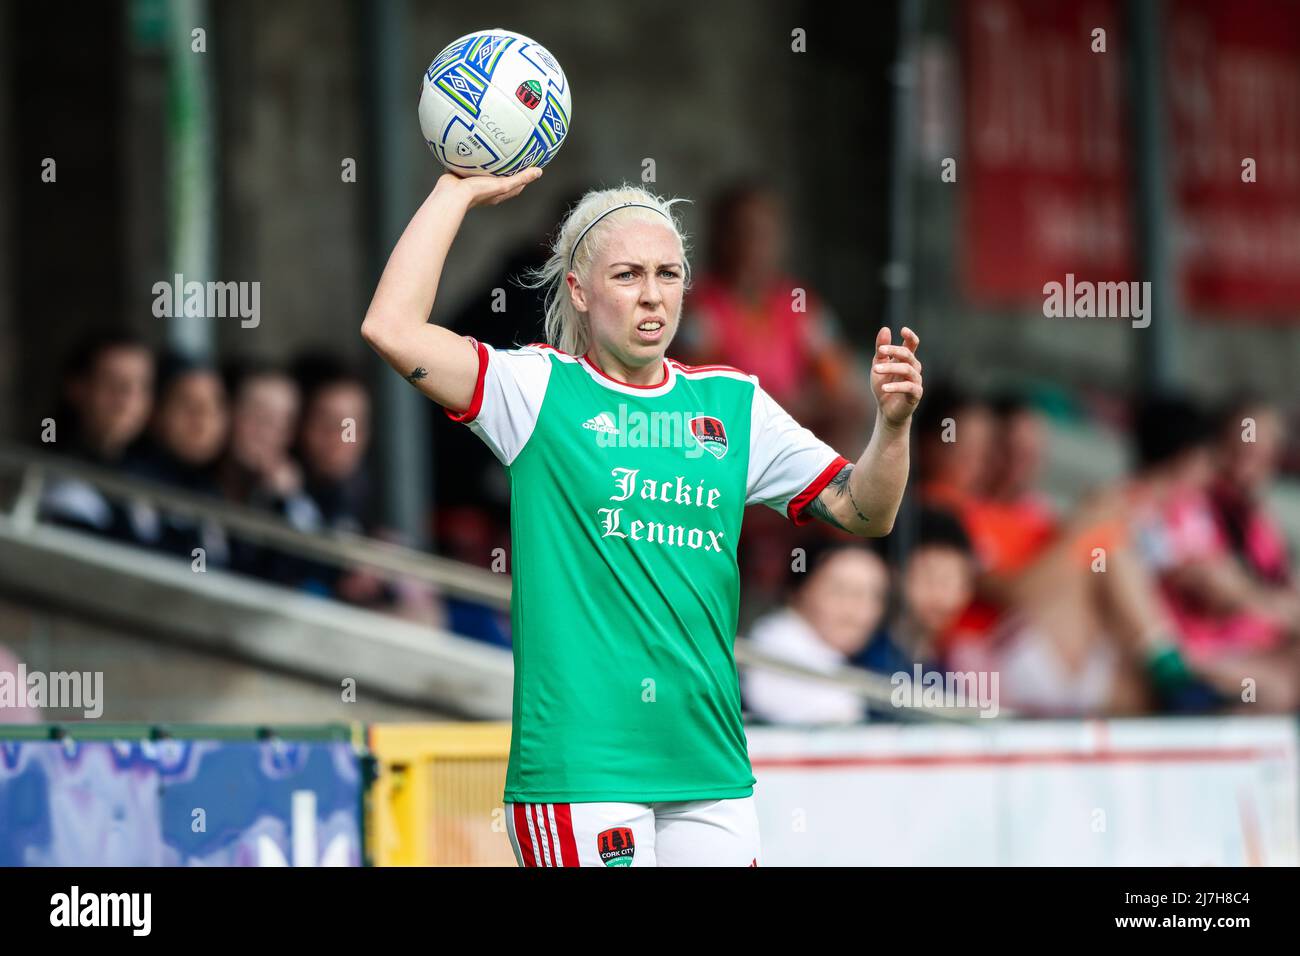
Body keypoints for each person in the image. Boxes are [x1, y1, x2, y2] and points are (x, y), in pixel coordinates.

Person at [361, 167, 923, 866]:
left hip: (709, 769)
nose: (652, 295)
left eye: (668, 273)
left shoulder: (733, 406)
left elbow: (865, 511)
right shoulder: (538, 391)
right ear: (579, 290)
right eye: (626, 275)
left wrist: (892, 427)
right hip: (581, 770)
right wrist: (456, 193)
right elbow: (391, 329)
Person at [741, 537, 890, 725]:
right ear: (798, 592)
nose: (857, 610)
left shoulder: (877, 657)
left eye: (873, 595)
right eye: (841, 591)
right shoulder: (770, 654)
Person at [39, 331, 155, 539]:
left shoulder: (148, 472)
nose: (126, 402)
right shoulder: (52, 477)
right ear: (77, 388)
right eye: (113, 384)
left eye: (140, 386)